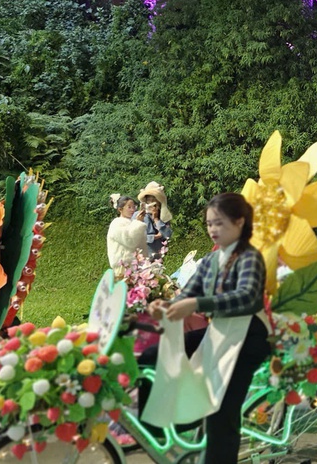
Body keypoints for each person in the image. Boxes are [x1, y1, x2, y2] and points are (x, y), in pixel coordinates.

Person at [138, 193, 271, 462]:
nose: (212, 229)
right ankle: (168, 423)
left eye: (219, 223)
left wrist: (197, 303)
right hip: (220, 331)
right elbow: (188, 293)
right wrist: (166, 306)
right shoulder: (210, 261)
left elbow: (246, 297)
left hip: (250, 337)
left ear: (240, 222)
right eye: (209, 223)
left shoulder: (249, 257)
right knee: (151, 358)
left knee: (222, 413)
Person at [107, 194, 148, 268]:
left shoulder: (133, 222)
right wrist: (138, 223)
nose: (132, 210)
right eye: (129, 207)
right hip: (124, 268)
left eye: (134, 207)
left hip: (138, 265)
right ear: (120, 209)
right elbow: (130, 241)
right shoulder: (116, 224)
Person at [136, 182, 173, 260]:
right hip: (143, 257)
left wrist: (156, 219)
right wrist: (155, 237)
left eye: (154, 199)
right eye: (149, 199)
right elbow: (136, 237)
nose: (151, 202)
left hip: (158, 256)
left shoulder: (163, 216)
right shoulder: (139, 215)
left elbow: (167, 235)